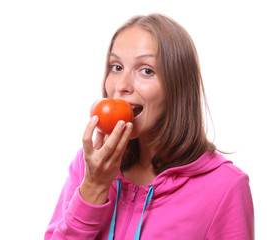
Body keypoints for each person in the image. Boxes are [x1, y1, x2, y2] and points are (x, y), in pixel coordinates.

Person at [45, 13, 254, 240]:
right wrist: (93, 188)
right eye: (116, 67)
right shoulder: (90, 165)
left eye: (146, 70)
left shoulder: (225, 186)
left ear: (177, 87)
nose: (122, 86)